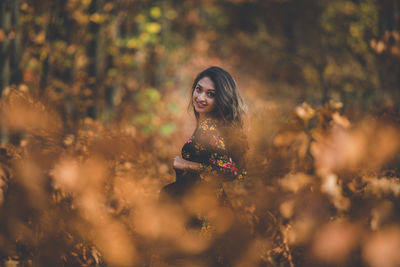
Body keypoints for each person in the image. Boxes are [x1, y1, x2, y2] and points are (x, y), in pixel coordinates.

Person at [160, 66, 247, 223]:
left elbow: (232, 170)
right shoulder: (210, 125)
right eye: (198, 89)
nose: (200, 97)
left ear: (221, 99)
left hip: (202, 206)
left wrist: (186, 164)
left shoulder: (209, 129)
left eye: (210, 94)